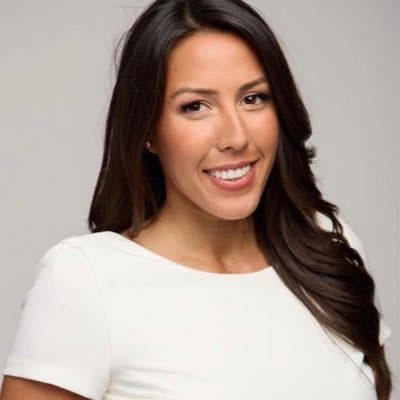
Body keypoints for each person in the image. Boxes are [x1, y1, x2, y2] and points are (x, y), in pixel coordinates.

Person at [0, 0, 393, 399]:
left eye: (253, 98)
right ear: (147, 129)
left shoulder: (329, 248)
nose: (236, 137)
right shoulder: (85, 281)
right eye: (195, 107)